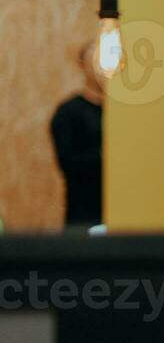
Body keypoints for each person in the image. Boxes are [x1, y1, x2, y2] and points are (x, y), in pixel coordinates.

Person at [49, 41, 105, 227]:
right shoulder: (69, 113)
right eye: (95, 59)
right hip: (84, 215)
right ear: (82, 64)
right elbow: (68, 163)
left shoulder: (124, 115)